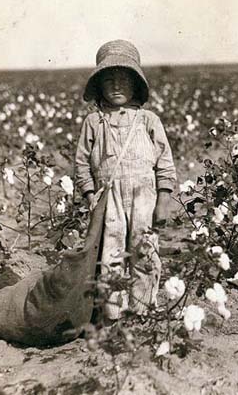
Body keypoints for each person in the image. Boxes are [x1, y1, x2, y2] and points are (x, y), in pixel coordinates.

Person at [74, 39, 177, 320]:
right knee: (111, 255)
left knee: (144, 252)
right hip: (108, 200)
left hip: (145, 196)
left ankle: (143, 310)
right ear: (99, 86)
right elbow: (82, 163)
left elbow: (165, 162)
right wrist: (89, 195)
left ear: (135, 84)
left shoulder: (148, 121)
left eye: (123, 79)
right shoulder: (94, 123)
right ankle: (114, 314)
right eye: (109, 80)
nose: (116, 86)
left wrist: (164, 199)